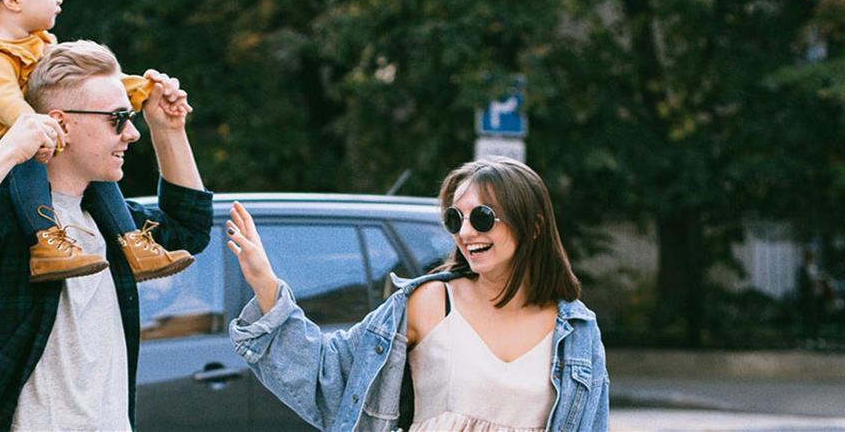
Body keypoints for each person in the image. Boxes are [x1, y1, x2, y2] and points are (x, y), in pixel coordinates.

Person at [0, 40, 213, 430]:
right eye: (116, 118)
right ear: (60, 122)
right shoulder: (5, 221)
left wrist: (168, 129)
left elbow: (190, 231)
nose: (131, 133)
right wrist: (11, 146)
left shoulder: (111, 221)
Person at [227, 157, 610, 431]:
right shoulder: (430, 303)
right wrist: (264, 282)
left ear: (535, 226)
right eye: (454, 219)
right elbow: (331, 374)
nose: (466, 233)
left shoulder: (576, 333)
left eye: (481, 218)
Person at [0, 0, 194, 284]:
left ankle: (132, 244)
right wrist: (35, 130)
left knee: (94, 162)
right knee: (30, 154)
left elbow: (83, 88)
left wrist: (145, 90)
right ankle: (46, 244)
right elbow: (12, 108)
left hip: (27, 142)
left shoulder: (42, 47)